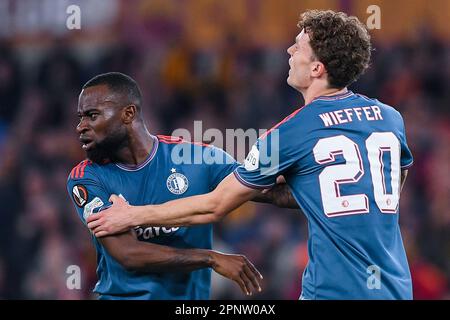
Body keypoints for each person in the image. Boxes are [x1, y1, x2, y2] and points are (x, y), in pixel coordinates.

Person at [87, 10, 414, 300]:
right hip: (396, 287)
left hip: (334, 290)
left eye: (298, 46)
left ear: (316, 68)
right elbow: (397, 175)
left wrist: (134, 215)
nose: (289, 50)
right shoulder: (389, 118)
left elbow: (215, 206)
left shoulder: (291, 132)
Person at [67, 72, 297, 299]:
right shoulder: (86, 178)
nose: (80, 126)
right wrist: (211, 258)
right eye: (80, 118)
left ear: (128, 113)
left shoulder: (197, 158)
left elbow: (273, 193)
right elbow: (128, 253)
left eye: (92, 115)